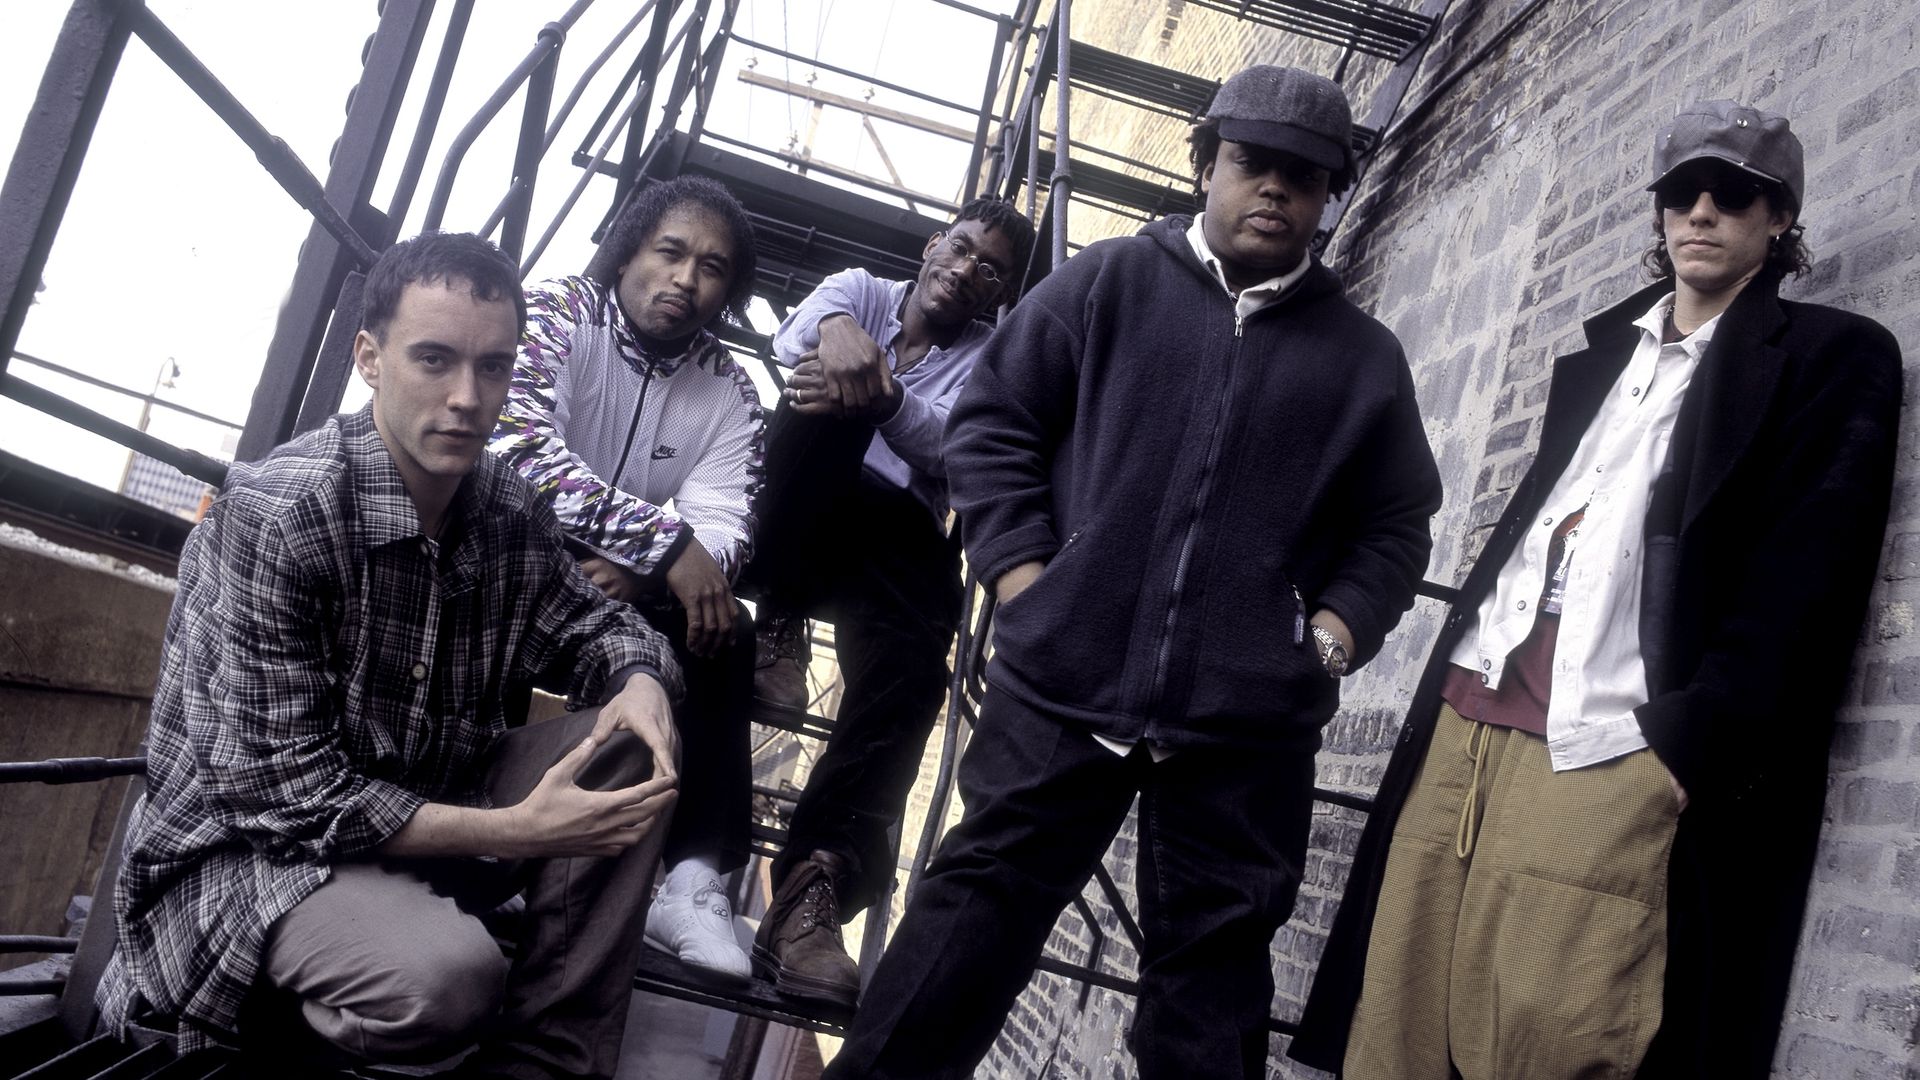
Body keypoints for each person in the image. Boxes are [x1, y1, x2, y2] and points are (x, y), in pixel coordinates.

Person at [824, 66, 1442, 1079]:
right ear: (1207, 164)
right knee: (965, 930)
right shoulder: (1106, 282)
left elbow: (1396, 521)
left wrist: (1332, 631)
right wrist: (1027, 585)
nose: (1276, 189)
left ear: (1332, 192)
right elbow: (993, 430)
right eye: (1253, 163)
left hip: (1244, 726)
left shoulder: (1362, 357)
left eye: (1305, 173)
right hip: (1062, 685)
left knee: (1212, 983)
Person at [1291, 100, 1905, 1080]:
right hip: (1468, 704)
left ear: (1780, 218)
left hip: (1610, 735)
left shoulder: (1830, 357)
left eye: (1735, 193)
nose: (1703, 211)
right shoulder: (1603, 358)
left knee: (1557, 1027)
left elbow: (1808, 577)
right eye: (1681, 192)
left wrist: (1687, 747)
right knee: (1399, 1015)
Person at [96, 232, 684, 1080]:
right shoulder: (279, 515)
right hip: (252, 866)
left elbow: (599, 626)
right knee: (446, 980)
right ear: (370, 359)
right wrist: (515, 832)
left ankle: (545, 1064)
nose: (467, 398)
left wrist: (639, 679)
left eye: (493, 368)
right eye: (435, 360)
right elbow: (289, 801)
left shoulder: (503, 508)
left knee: (636, 746)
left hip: (424, 820)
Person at [742, 195, 1035, 1010]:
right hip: (796, 515)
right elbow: (794, 341)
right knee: (827, 393)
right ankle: (782, 625)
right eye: (965, 249)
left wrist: (886, 397)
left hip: (893, 548)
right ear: (935, 243)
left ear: (998, 294)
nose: (970, 272)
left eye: (992, 271)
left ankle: (809, 889)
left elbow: (962, 448)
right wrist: (844, 344)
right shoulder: (861, 288)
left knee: (913, 675)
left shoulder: (993, 359)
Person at [489, 176, 764, 980]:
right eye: (670, 252)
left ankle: (690, 880)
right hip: (519, 563)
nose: (685, 278)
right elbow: (520, 454)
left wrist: (650, 573)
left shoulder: (729, 390)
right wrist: (662, 544)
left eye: (711, 268)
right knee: (482, 567)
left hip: (623, 592)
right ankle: (487, 846)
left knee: (724, 626)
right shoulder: (555, 316)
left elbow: (726, 523)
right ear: (629, 251)